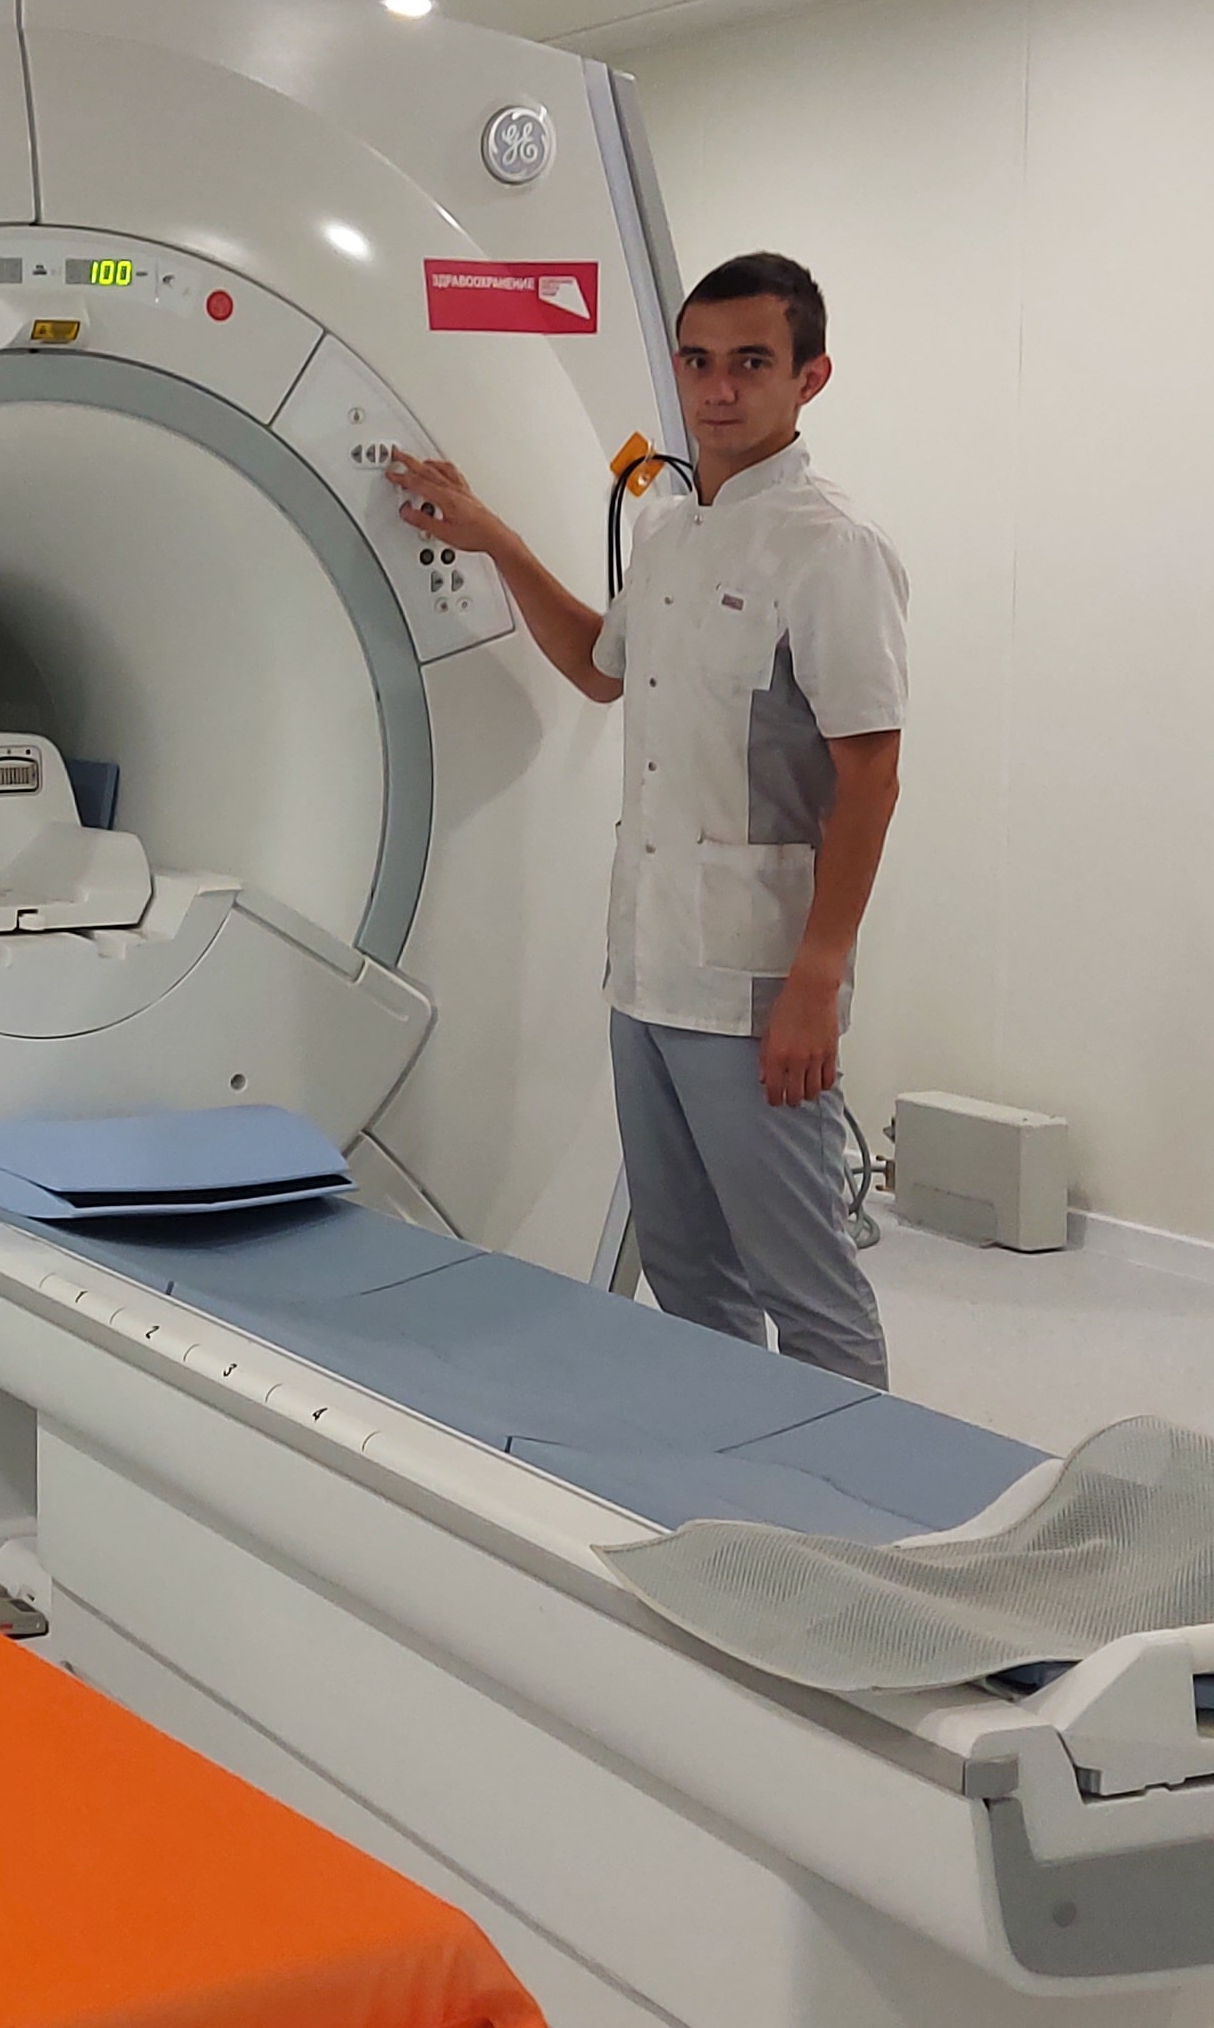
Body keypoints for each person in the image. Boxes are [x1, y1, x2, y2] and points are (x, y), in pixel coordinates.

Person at [383, 252, 905, 1386]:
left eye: (751, 363)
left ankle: (857, 1495)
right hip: (647, 971)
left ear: (810, 378)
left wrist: (818, 978)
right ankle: (722, 1472)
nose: (718, 389)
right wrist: (496, 539)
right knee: (684, 1271)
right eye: (698, 361)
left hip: (758, 983)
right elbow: (599, 668)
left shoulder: (832, 547)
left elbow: (870, 776)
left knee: (804, 1285)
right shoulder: (667, 529)